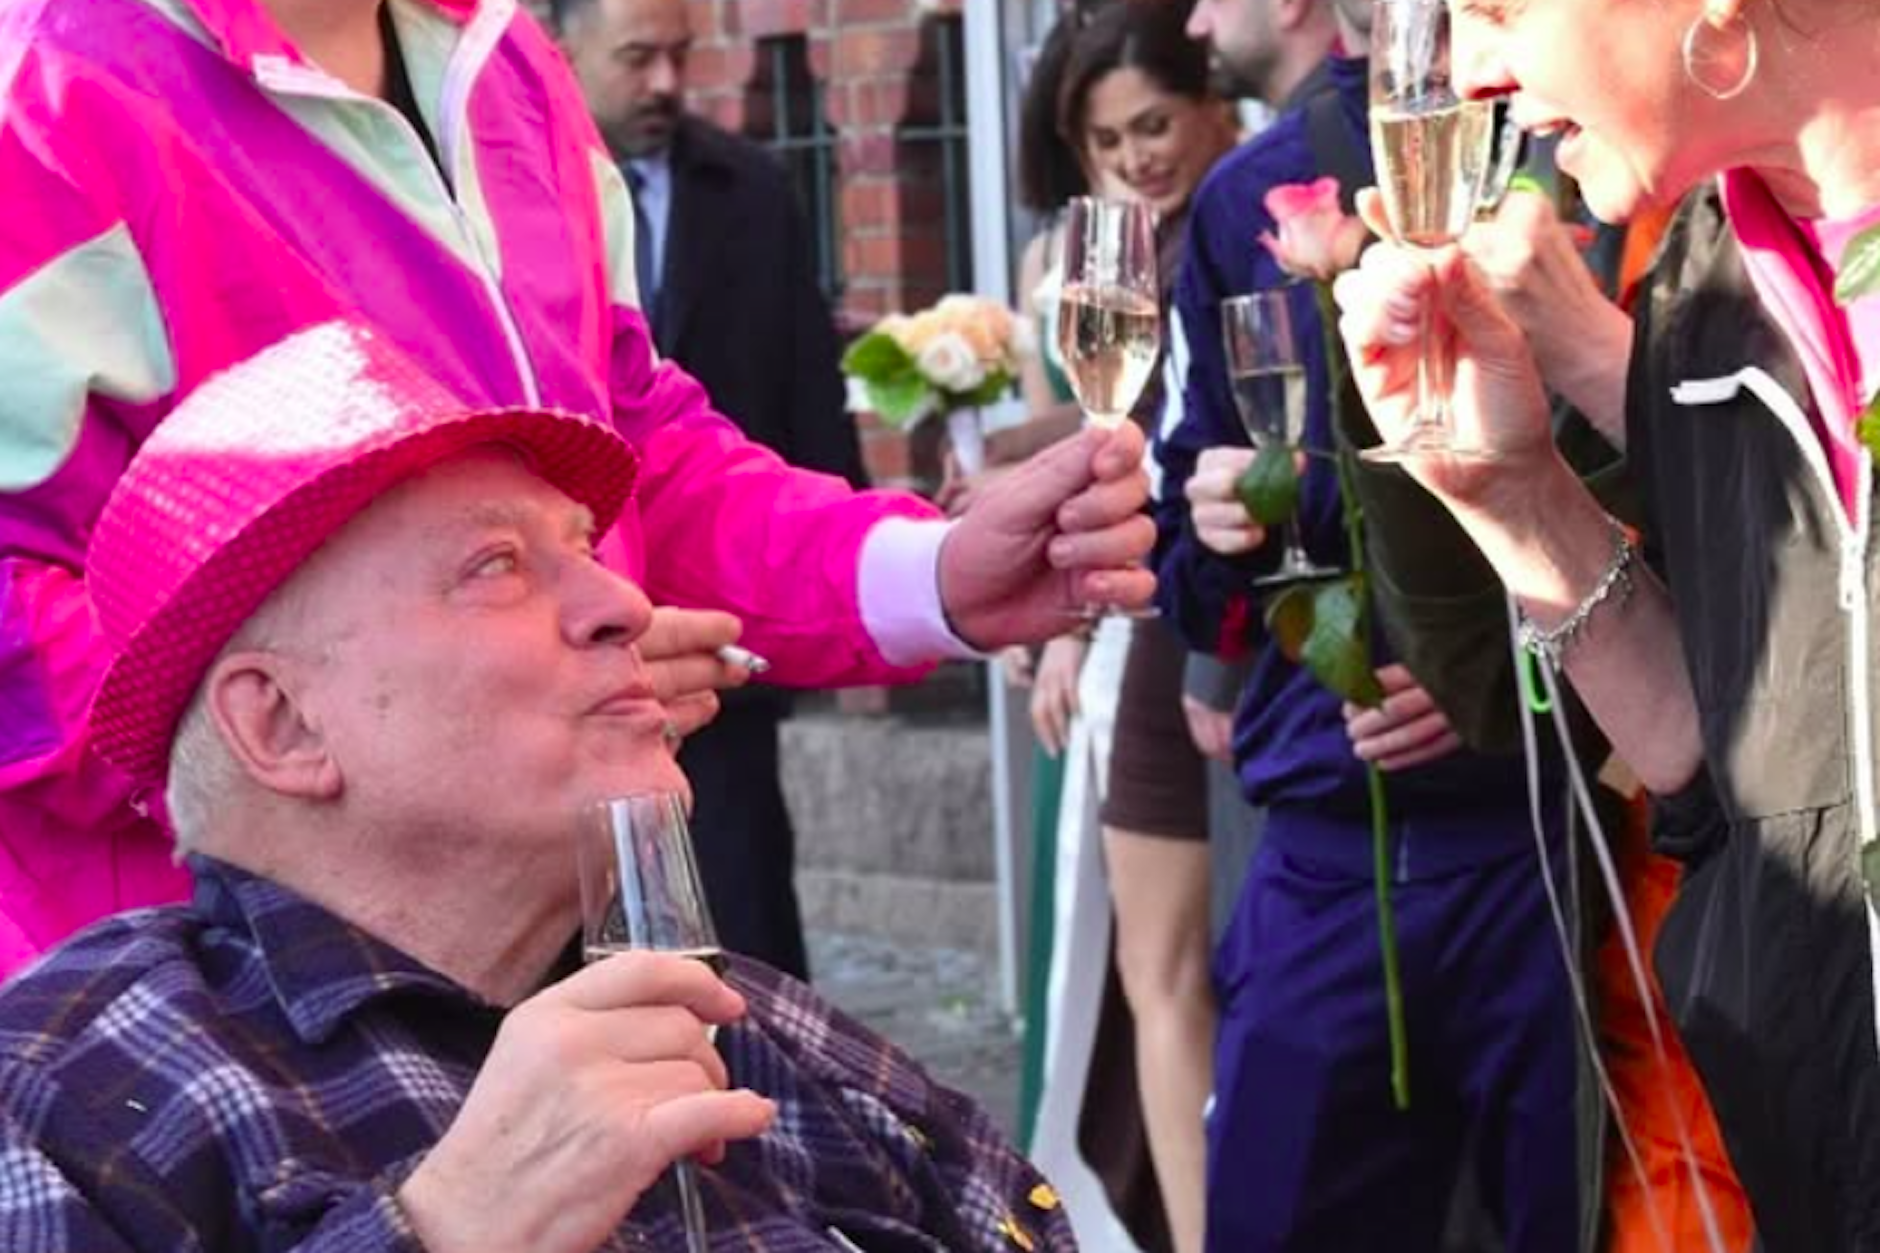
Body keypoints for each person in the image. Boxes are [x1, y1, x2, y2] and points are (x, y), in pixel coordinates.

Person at [0, 0, 1154, 978]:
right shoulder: (41, 96)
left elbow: (635, 443)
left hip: (562, 922)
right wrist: (471, 709)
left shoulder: (505, 62)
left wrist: (928, 571)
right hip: (212, 997)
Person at [0, 321, 1080, 1253]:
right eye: (496, 566)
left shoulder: (761, 1028)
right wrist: (447, 1224)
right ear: (281, 723)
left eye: (584, 547)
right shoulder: (76, 1087)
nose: (622, 600)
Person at [1333, 0, 1880, 1241]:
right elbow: (1729, 769)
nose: (1467, 71)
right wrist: (1517, 498)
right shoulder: (1701, 270)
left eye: (1495, 8)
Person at [1156, 0, 1581, 1247]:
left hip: (1554, 855)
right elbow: (1193, 581)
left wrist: (1501, 677)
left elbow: (1672, 503)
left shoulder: (1584, 151)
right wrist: (1220, 523)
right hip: (1330, 853)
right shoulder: (1251, 194)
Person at [556, 0, 865, 980]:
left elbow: (804, 383)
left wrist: (845, 574)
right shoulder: (511, 205)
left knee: (744, 912)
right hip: (569, 625)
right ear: (560, 49)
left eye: (678, 55)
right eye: (637, 56)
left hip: (721, 622)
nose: (663, 83)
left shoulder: (748, 188)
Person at [1023, 7, 1239, 1253]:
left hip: (1255, 616)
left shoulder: (1264, 211)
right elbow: (1114, 454)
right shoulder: (1107, 261)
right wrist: (1065, 626)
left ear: (1207, 104)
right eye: (1108, 143)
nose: (1137, 159)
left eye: (1152, 125)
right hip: (1152, 630)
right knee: (1157, 971)